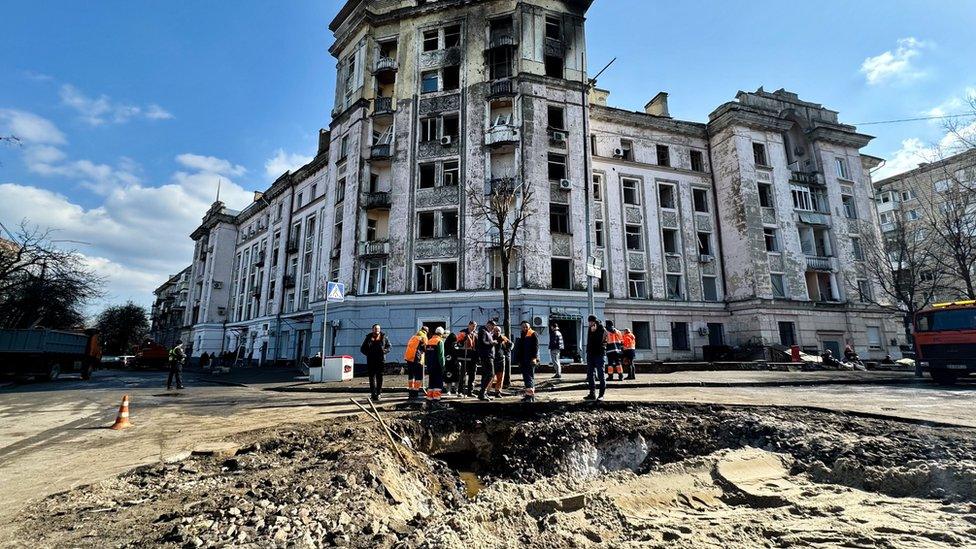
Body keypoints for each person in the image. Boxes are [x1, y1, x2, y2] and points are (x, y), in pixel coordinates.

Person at [360, 324, 391, 401]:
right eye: (375, 329)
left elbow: (389, 346)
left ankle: (379, 393)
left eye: (378, 329)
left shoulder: (384, 337)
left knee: (379, 377)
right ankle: (373, 394)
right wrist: (369, 354)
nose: (377, 330)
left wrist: (384, 351)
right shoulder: (368, 337)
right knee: (371, 377)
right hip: (371, 360)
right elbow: (362, 348)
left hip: (381, 360)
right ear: (372, 329)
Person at [514, 321, 540, 402]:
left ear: (529, 327)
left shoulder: (532, 334)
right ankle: (529, 395)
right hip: (524, 360)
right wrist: (519, 360)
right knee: (526, 378)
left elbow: (536, 347)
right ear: (521, 327)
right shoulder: (523, 334)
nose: (525, 328)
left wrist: (534, 358)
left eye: (526, 326)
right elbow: (521, 348)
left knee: (529, 377)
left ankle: (530, 396)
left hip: (530, 360)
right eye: (523, 326)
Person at [585, 316, 607, 401]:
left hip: (599, 354)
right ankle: (592, 393)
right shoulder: (590, 329)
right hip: (591, 353)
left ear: (594, 321)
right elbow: (589, 341)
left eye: (590, 322)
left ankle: (601, 394)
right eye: (589, 322)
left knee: (601, 374)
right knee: (590, 374)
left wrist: (594, 332)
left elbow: (600, 342)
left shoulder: (602, 329)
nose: (589, 323)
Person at [404, 327, 428, 401]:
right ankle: (415, 392)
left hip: (409, 358)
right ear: (426, 331)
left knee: (411, 375)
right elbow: (425, 349)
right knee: (419, 375)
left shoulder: (414, 337)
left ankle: (411, 391)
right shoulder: (424, 337)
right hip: (417, 358)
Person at [424, 327, 446, 405]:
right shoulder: (440, 341)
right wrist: (443, 366)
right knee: (438, 383)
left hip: (430, 366)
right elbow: (441, 356)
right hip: (437, 366)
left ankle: (429, 399)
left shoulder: (429, 341)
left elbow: (426, 354)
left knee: (431, 383)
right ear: (441, 334)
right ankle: (436, 400)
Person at [476, 320, 497, 401]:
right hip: (486, 356)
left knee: (486, 374)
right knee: (490, 374)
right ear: (488, 325)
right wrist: (492, 343)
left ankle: (483, 393)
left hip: (489, 356)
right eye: (492, 326)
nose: (493, 328)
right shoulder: (483, 331)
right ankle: (482, 392)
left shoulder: (487, 332)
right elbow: (483, 342)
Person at [456, 321, 478, 396]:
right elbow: (458, 343)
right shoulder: (463, 332)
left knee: (472, 375)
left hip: (473, 357)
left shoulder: (476, 334)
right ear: (469, 325)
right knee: (462, 375)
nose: (474, 327)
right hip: (464, 357)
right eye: (473, 325)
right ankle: (460, 391)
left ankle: (470, 392)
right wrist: (463, 340)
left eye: (475, 326)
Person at [489, 326, 511, 398]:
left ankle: (498, 391)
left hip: (501, 359)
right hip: (492, 359)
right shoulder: (490, 338)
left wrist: (507, 353)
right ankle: (487, 391)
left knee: (500, 376)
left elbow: (511, 345)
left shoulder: (503, 338)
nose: (497, 332)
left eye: (498, 331)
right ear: (493, 331)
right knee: (491, 376)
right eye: (496, 331)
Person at [443, 327, 460, 396]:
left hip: (450, 363)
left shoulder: (446, 343)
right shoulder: (454, 344)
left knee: (450, 377)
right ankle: (454, 390)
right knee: (455, 376)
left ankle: (450, 390)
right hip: (454, 363)